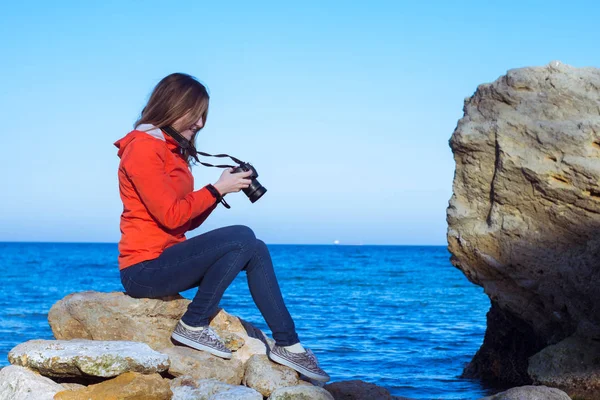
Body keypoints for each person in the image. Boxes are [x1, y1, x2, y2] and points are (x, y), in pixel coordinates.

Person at [113, 73, 330, 382]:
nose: (201, 122)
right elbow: (171, 217)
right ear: (173, 106)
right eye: (196, 113)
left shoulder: (170, 150)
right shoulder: (143, 148)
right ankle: (193, 324)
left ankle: (288, 344)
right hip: (144, 268)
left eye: (204, 115)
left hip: (168, 260)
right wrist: (217, 189)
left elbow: (185, 220)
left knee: (253, 248)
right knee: (242, 235)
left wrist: (221, 192)